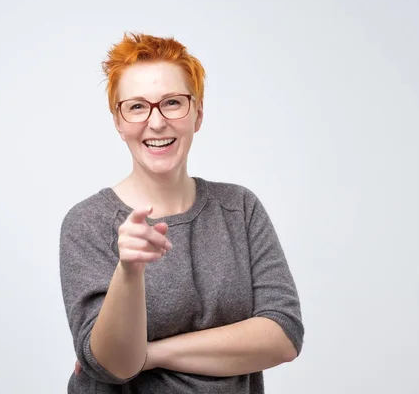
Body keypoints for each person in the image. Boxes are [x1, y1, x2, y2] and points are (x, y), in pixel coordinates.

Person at [59, 32, 304, 393]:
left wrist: (155, 353)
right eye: (137, 106)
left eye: (172, 102)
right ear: (118, 121)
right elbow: (114, 366)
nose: (156, 123)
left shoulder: (239, 208)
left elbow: (283, 334)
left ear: (198, 114)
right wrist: (129, 270)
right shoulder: (88, 223)